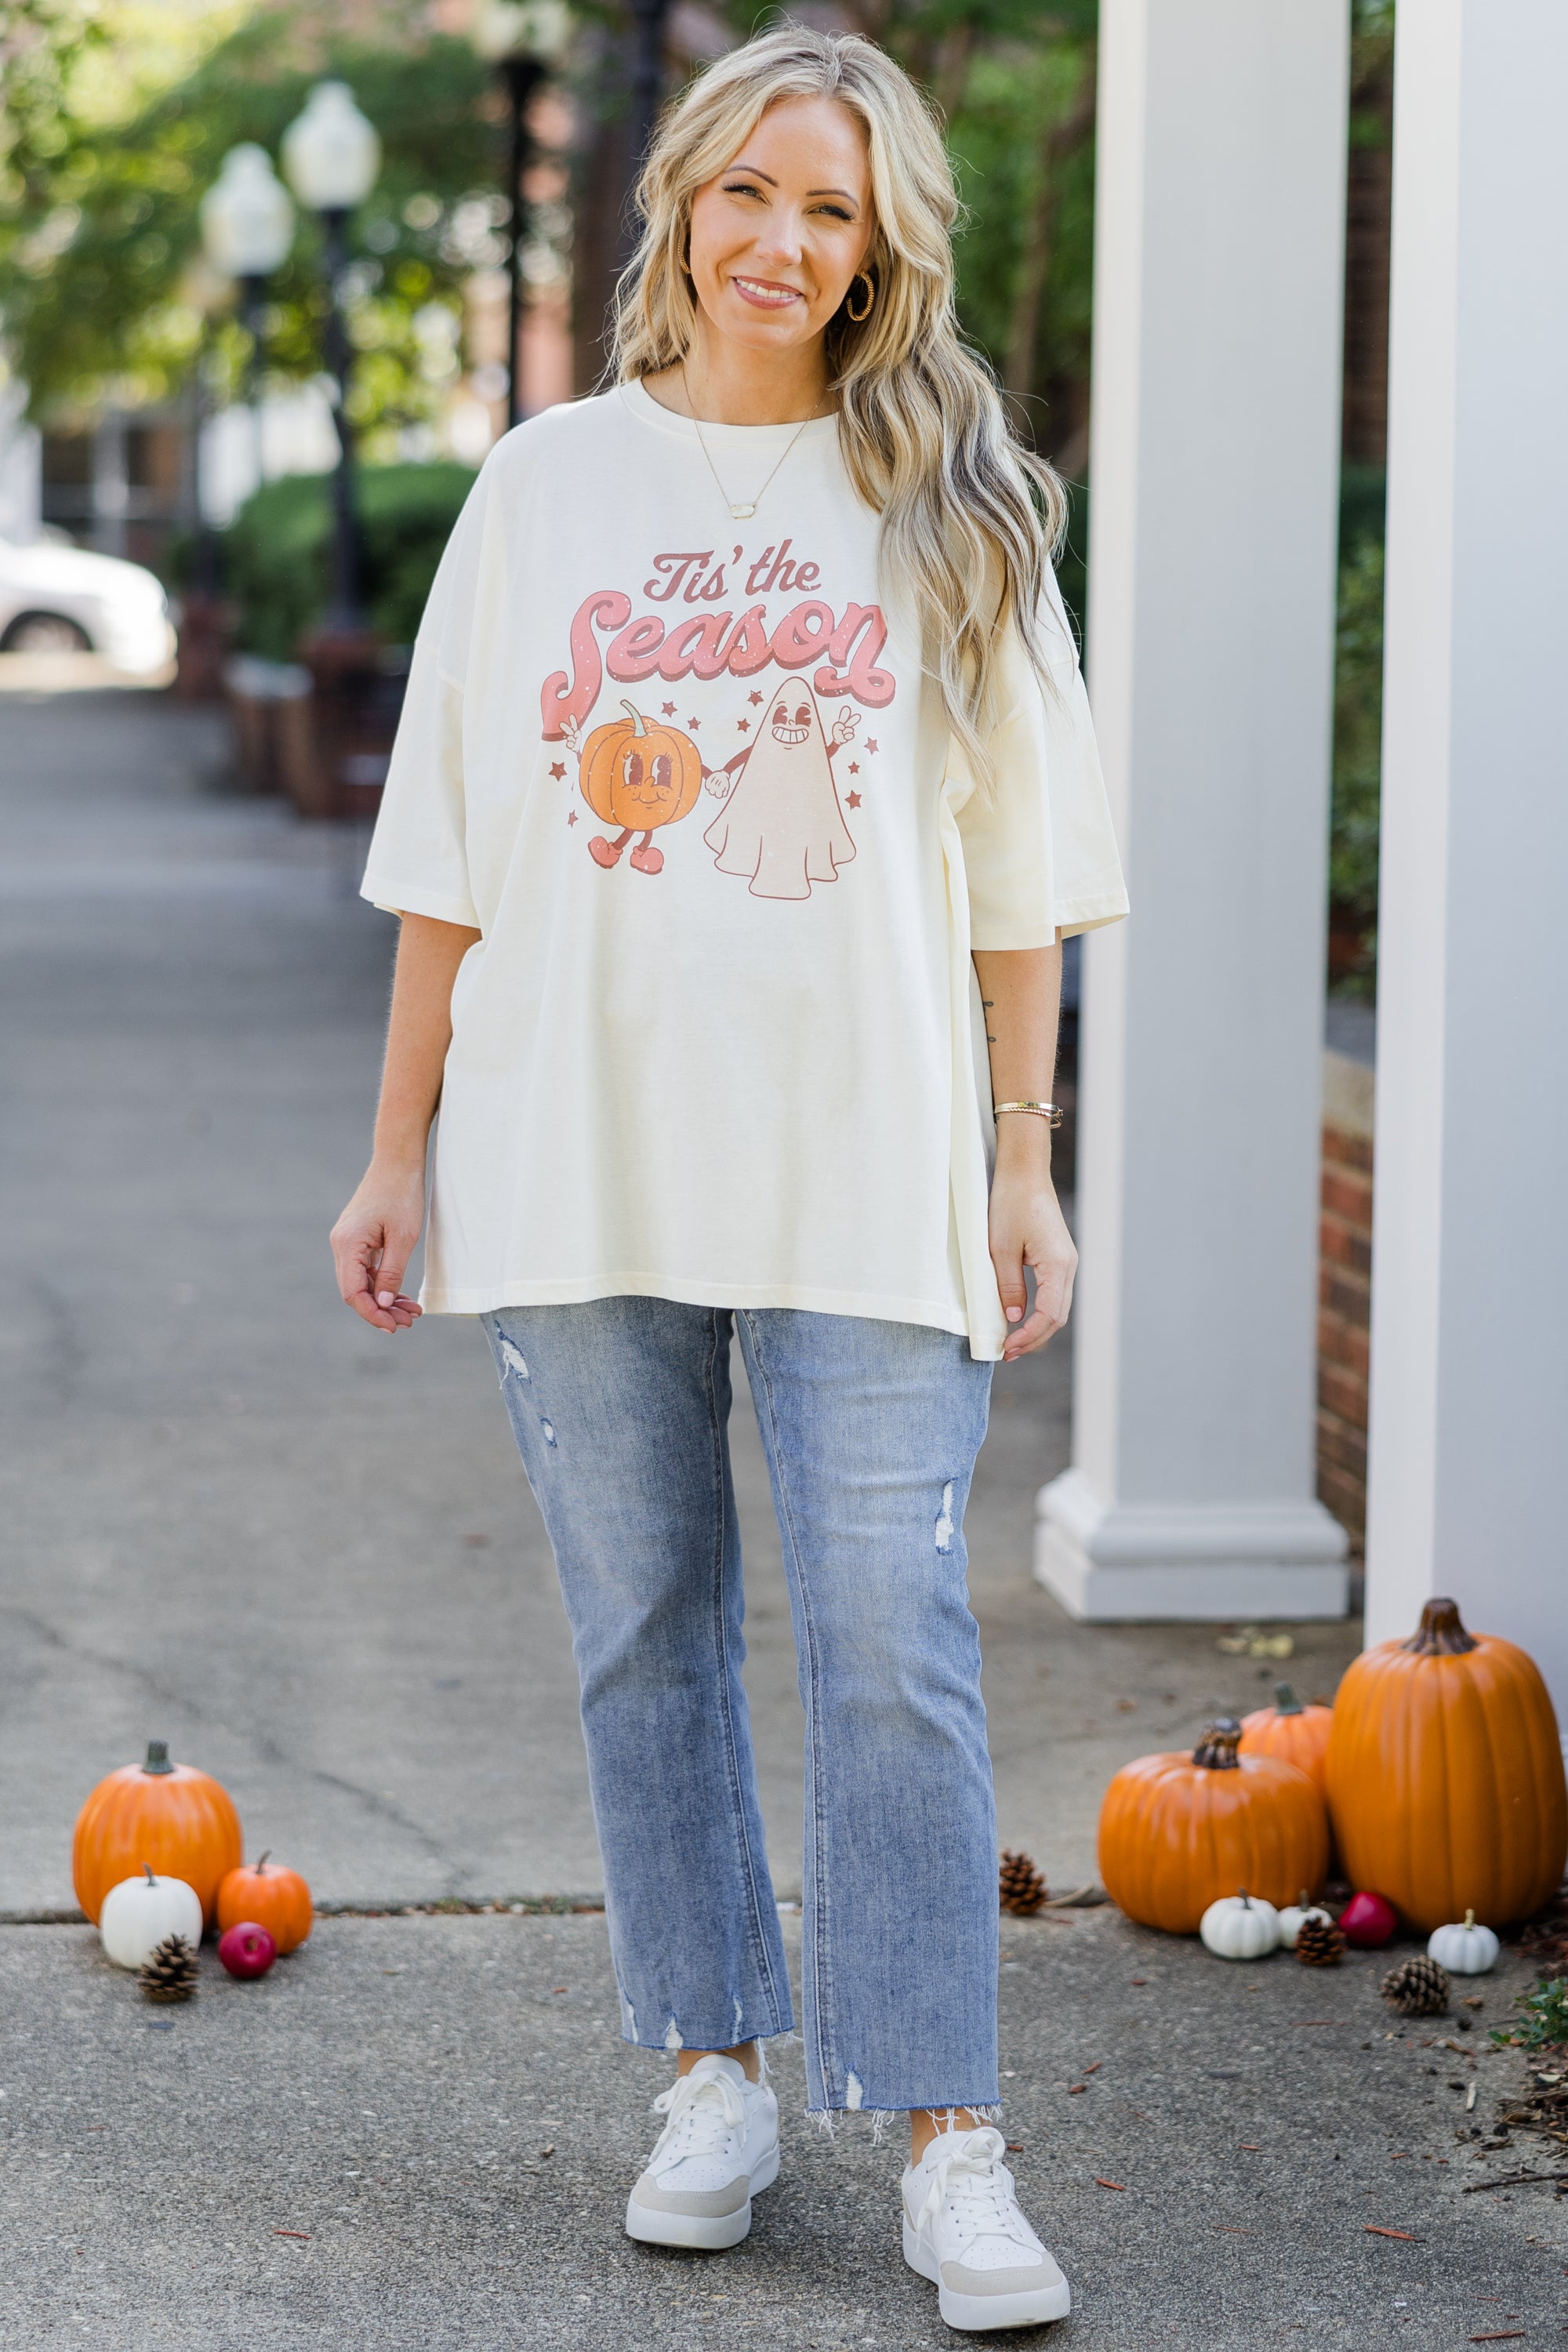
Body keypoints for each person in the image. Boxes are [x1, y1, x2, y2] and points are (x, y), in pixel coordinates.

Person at [330, 23, 1126, 2335]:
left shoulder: (949, 499)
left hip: (868, 1160)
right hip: (572, 1151)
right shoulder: (540, 489)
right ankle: (711, 2073)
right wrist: (398, 1153)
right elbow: (451, 862)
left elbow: (1013, 885)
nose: (786, 243)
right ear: (680, 202)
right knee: (643, 1636)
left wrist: (1024, 1167)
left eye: (836, 210)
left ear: (883, 250)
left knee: (894, 1646)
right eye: (753, 194)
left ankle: (948, 2134)